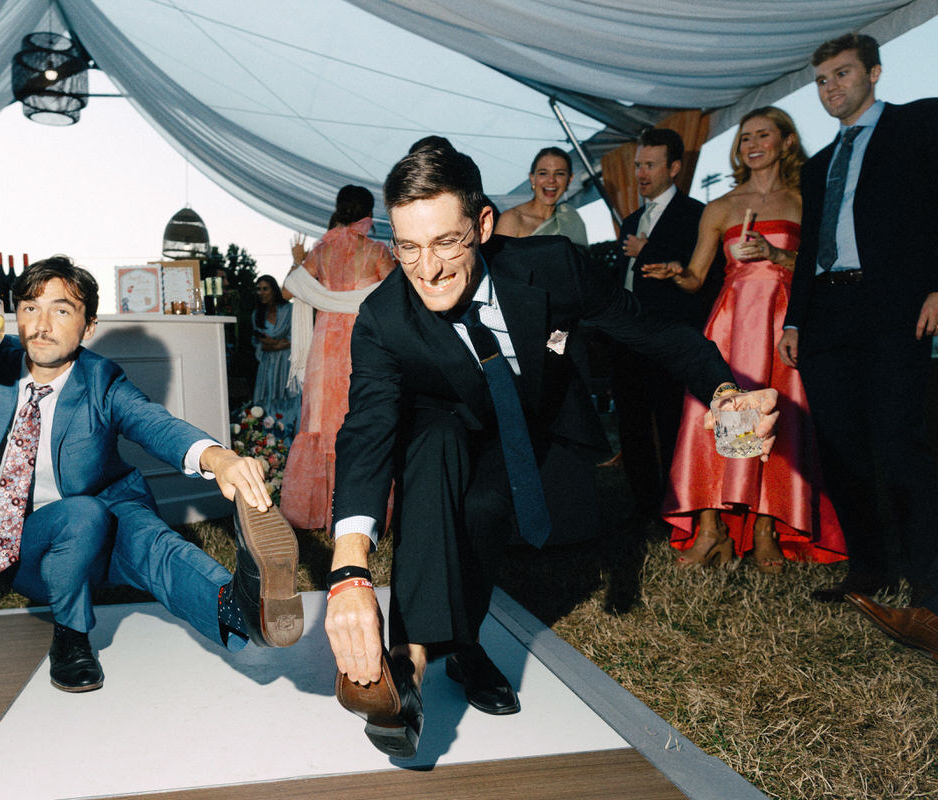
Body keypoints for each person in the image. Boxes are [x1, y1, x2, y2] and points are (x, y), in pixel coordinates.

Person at [323, 146, 778, 757]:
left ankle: (465, 646)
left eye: (446, 243)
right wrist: (349, 569)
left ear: (483, 226)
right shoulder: (383, 320)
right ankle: (407, 667)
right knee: (430, 458)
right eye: (408, 247)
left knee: (484, 513)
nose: (426, 269)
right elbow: (367, 430)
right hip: (446, 418)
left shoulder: (555, 266)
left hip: (534, 418)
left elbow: (653, 331)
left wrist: (724, 391)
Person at [0, 256, 303, 692]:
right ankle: (71, 636)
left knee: (151, 540)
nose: (41, 326)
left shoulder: (101, 379)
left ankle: (237, 609)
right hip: (26, 549)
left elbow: (154, 424)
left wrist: (218, 458)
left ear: (89, 327)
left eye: (61, 310)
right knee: (82, 515)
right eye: (30, 308)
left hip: (104, 526)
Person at [776, 34, 938, 656]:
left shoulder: (917, 126)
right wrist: (795, 321)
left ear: (873, 72)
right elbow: (811, 247)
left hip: (894, 305)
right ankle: (869, 568)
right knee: (841, 450)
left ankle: (929, 584)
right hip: (827, 314)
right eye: (821, 80)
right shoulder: (818, 166)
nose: (830, 88)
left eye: (842, 74)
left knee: (901, 445)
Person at [648, 108, 845, 571]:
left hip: (781, 325)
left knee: (777, 426)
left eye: (763, 135)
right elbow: (698, 277)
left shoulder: (803, 201)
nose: (752, 144)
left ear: (786, 142)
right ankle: (712, 529)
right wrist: (678, 273)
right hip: (730, 326)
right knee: (718, 421)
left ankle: (765, 530)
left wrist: (777, 253)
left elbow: (823, 268)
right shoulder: (720, 207)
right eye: (745, 138)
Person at [612, 128, 720, 523]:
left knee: (675, 423)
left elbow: (701, 277)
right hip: (627, 341)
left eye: (650, 165)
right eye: (638, 164)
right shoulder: (631, 220)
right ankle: (644, 507)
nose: (641, 173)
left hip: (670, 339)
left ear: (674, 168)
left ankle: (680, 506)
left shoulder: (696, 215)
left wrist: (650, 252)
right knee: (632, 425)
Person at [279, 185, 396, 530]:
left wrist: (300, 261)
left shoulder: (321, 249)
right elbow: (393, 296)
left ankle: (318, 513)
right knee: (361, 420)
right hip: (363, 340)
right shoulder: (375, 250)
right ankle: (357, 514)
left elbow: (289, 288)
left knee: (321, 426)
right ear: (368, 213)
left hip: (324, 345)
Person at [495, 147, 589, 247]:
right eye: (543, 173)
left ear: (569, 180)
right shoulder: (512, 219)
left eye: (560, 174)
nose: (551, 180)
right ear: (532, 178)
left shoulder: (569, 218)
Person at [250, 274, 299, 432]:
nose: (261, 293)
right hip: (267, 366)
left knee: (288, 402)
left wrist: (275, 344)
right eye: (258, 289)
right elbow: (258, 343)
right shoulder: (256, 314)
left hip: (286, 364)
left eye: (265, 289)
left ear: (274, 290)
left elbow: (297, 337)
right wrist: (274, 344)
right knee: (268, 403)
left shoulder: (289, 310)